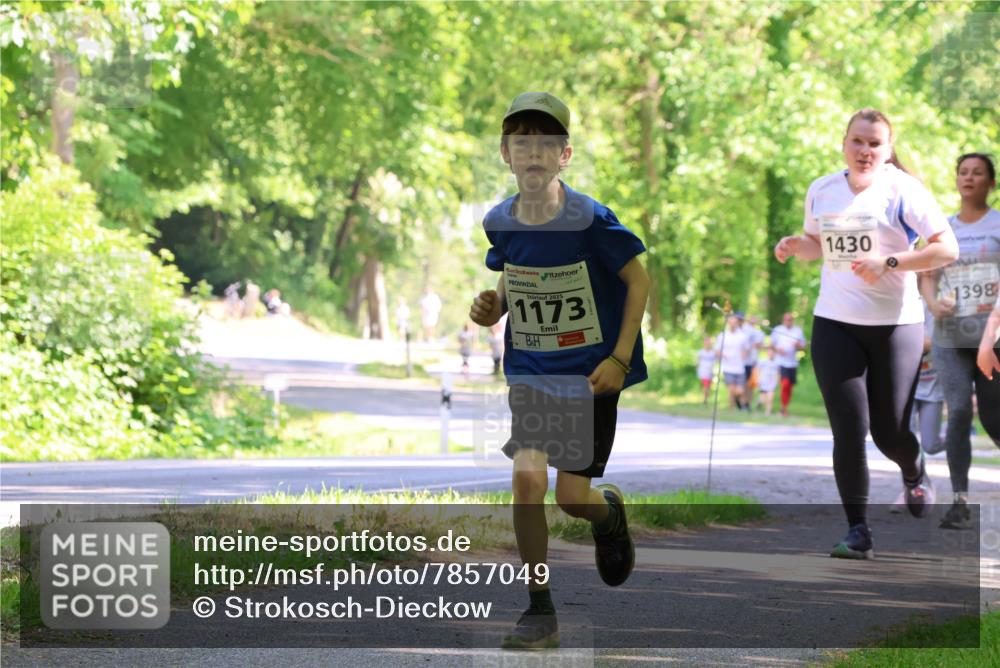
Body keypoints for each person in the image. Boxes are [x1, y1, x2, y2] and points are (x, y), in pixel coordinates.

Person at [468, 91, 649, 650]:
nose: (534, 151)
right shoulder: (500, 220)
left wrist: (619, 358)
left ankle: (608, 517)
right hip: (531, 371)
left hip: (589, 376)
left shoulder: (590, 218)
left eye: (547, 141)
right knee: (526, 480)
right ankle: (539, 608)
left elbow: (638, 281)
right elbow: (514, 274)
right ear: (506, 152)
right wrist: (492, 305)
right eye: (522, 141)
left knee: (571, 497)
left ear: (565, 154)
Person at [774, 108, 959, 559]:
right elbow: (817, 243)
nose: (865, 151)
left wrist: (890, 262)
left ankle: (914, 471)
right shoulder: (822, 189)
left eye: (875, 143)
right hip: (836, 323)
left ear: (888, 149)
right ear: (844, 143)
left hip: (897, 327)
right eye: (858, 141)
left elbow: (946, 248)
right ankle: (858, 530)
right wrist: (799, 246)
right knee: (849, 430)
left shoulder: (902, 190)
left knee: (890, 432)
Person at [918, 152, 1000, 530]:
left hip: (993, 339)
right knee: (959, 413)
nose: (969, 178)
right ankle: (959, 500)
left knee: (994, 418)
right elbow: (927, 274)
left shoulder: (998, 224)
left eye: (977, 172)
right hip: (951, 337)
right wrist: (934, 305)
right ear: (956, 180)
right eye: (963, 172)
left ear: (991, 182)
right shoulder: (943, 229)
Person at [890, 303, 946, 513]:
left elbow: (931, 342)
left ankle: (957, 436)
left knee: (930, 445)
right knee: (905, 441)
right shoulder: (902, 304)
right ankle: (911, 489)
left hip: (933, 386)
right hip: (908, 385)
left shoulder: (935, 307)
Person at [770, 312, 807, 417]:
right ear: (783, 320)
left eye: (790, 319)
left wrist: (798, 345)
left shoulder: (798, 331)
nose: (788, 321)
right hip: (781, 362)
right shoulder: (778, 330)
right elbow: (771, 345)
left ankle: (784, 407)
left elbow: (803, 346)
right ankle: (782, 408)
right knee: (785, 384)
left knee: (789, 386)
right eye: (786, 319)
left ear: (792, 320)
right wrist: (778, 350)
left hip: (793, 363)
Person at [716, 314, 750, 410]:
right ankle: (731, 408)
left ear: (737, 323)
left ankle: (739, 403)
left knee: (740, 390)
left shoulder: (742, 336)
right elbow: (717, 350)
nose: (732, 324)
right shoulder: (723, 335)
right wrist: (721, 355)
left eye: (734, 322)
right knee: (731, 389)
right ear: (728, 323)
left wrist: (744, 354)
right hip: (728, 367)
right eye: (731, 322)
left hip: (739, 367)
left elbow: (747, 349)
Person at [741, 314, 765, 409]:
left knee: (751, 384)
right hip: (743, 361)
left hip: (754, 361)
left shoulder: (759, 333)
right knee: (743, 383)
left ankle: (748, 403)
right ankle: (742, 402)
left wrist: (757, 345)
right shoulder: (743, 329)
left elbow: (761, 346)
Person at [756, 346, 780, 417]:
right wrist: (758, 380)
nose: (771, 354)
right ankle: (759, 403)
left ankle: (768, 412)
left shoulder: (777, 363)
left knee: (770, 397)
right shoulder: (762, 361)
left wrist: (777, 381)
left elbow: (777, 373)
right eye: (769, 352)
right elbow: (758, 371)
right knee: (763, 399)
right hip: (763, 382)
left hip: (772, 383)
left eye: (772, 352)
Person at [696, 336, 717, 405]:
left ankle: (705, 398)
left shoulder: (713, 353)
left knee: (708, 386)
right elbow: (698, 362)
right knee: (706, 386)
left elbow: (715, 362)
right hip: (703, 371)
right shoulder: (700, 352)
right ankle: (705, 400)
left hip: (710, 372)